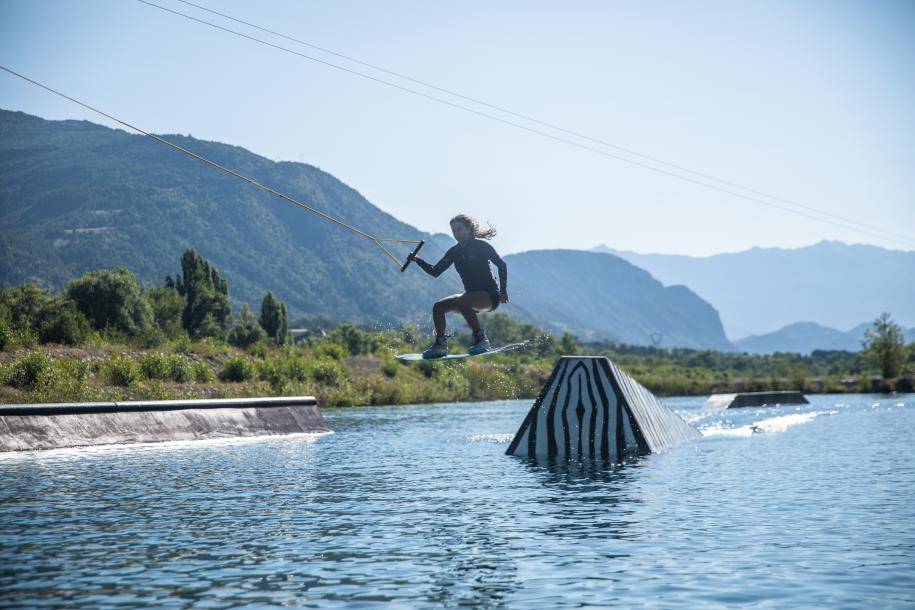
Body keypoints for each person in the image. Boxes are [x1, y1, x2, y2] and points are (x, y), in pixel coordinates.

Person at [409, 214, 508, 358]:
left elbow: (501, 264)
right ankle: (440, 345)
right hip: (469, 297)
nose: (457, 233)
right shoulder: (454, 252)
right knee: (438, 307)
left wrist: (503, 290)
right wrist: (417, 260)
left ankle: (481, 340)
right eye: (454, 231)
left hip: (490, 296)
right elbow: (435, 271)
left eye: (460, 229)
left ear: (469, 229)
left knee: (463, 301)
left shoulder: (481, 246)